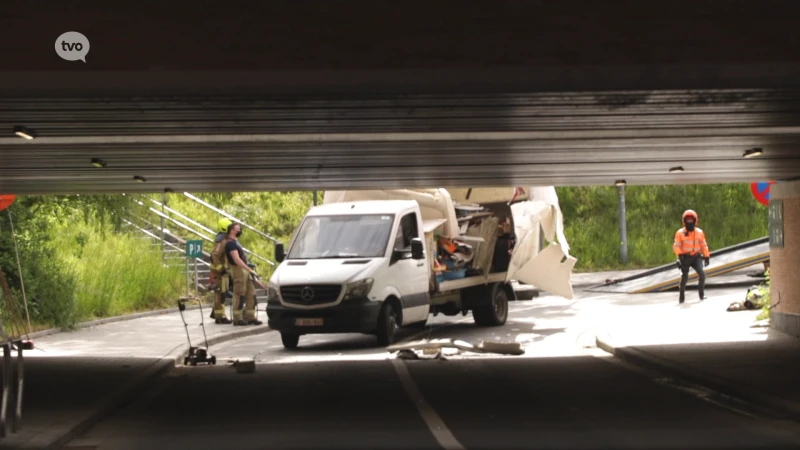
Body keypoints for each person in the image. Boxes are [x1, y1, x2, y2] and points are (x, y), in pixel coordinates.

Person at [224, 222, 262, 326]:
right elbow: (236, 259)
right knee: (239, 294)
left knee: (251, 293)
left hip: (245, 270)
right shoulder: (230, 244)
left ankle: (250, 317)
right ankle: (238, 318)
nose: (240, 230)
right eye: (238, 229)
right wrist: (248, 269)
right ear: (232, 230)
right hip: (238, 270)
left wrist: (248, 269)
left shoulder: (236, 242)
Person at [673, 209, 711, 303]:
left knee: (702, 274)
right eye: (687, 220)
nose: (690, 223)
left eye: (691, 220)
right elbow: (676, 245)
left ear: (695, 221)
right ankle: (681, 299)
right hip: (685, 258)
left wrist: (706, 256)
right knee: (684, 278)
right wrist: (680, 255)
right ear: (684, 221)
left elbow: (703, 245)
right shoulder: (680, 233)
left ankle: (701, 295)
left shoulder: (699, 232)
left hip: (696, 257)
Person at [208, 218, 233, 324]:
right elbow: (214, 256)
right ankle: (220, 317)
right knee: (220, 294)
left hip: (223, 272)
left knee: (222, 294)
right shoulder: (221, 241)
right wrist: (221, 270)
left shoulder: (225, 239)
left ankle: (217, 314)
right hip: (218, 272)